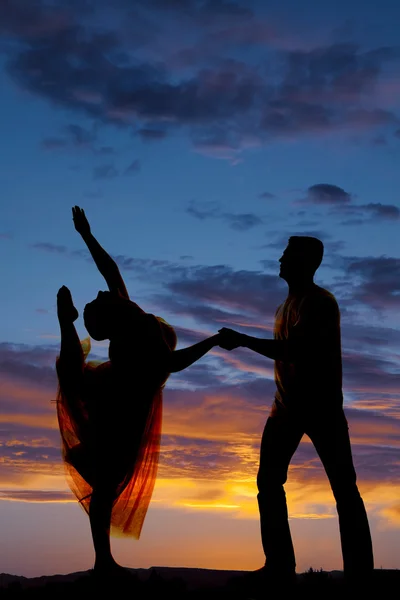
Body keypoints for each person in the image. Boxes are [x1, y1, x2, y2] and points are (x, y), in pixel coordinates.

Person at [56, 206, 220, 578]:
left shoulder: (134, 317)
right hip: (117, 403)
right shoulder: (133, 321)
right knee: (103, 481)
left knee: (105, 481)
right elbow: (173, 363)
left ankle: (104, 562)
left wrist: (86, 234)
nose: (99, 291)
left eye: (95, 300)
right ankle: (103, 562)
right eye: (96, 301)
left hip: (126, 404)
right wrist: (211, 341)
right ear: (110, 316)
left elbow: (108, 269)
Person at [218, 235, 373, 588]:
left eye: (289, 254)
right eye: (284, 253)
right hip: (284, 408)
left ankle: (360, 576)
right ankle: (279, 566)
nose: (281, 259)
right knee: (268, 482)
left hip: (322, 409)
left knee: (344, 490)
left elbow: (294, 351)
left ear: (308, 262)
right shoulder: (284, 306)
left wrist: (242, 340)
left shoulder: (320, 302)